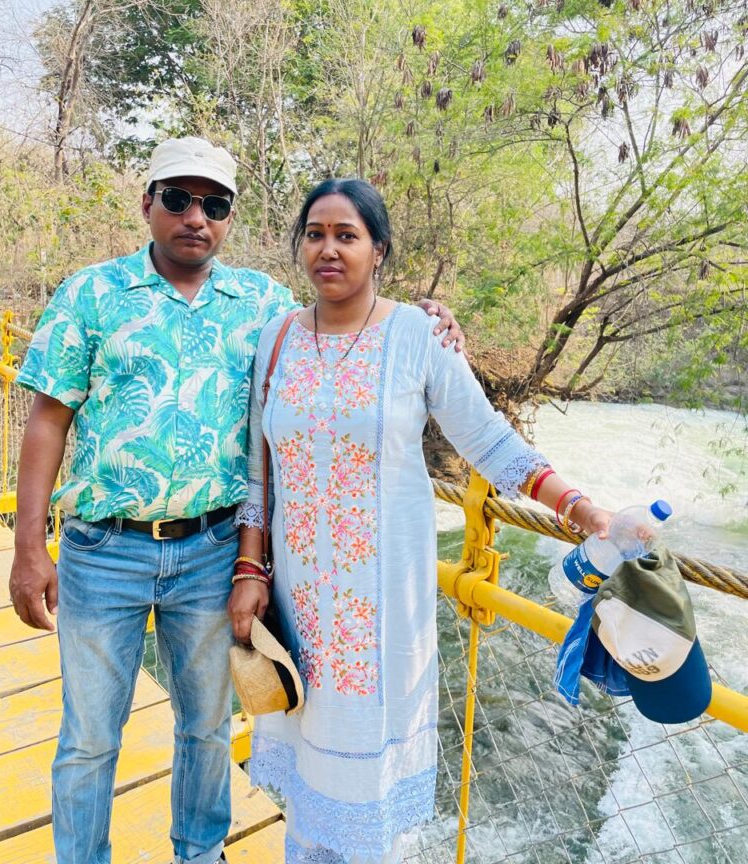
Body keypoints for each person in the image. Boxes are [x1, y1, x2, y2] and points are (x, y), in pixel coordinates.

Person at [8, 139, 462, 864]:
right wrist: (29, 549)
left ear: (229, 217)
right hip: (103, 549)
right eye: (179, 199)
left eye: (214, 204)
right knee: (90, 736)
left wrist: (432, 325)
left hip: (214, 551)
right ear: (147, 202)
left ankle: (200, 853)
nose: (196, 217)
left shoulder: (260, 305)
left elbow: (345, 315)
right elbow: (48, 418)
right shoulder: (89, 294)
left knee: (207, 728)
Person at [229, 178, 611, 864]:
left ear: (379, 250)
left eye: (348, 236)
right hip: (297, 608)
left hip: (382, 619)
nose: (329, 249)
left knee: (371, 817)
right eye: (315, 234)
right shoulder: (276, 339)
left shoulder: (415, 336)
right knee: (309, 799)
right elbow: (259, 472)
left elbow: (490, 441)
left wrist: (577, 507)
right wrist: (250, 568)